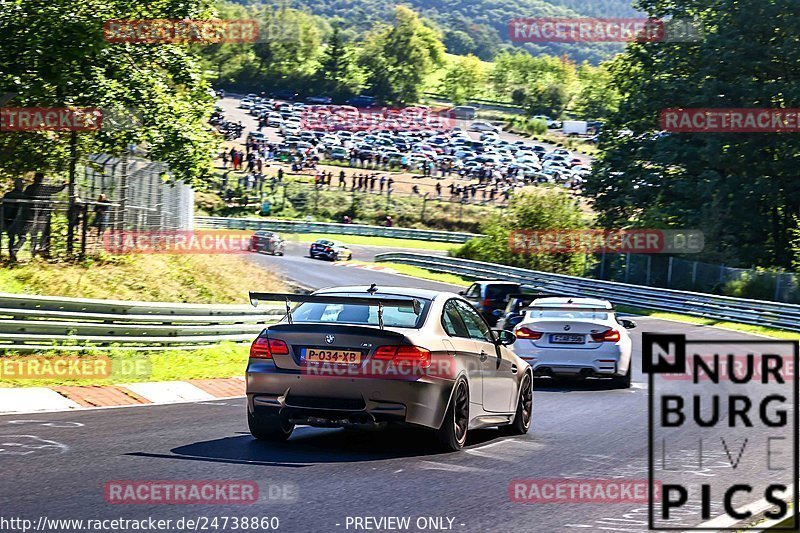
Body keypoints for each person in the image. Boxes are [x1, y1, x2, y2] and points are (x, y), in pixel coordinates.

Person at [2, 178, 25, 258]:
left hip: (7, 219)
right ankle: (14, 251)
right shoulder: (23, 196)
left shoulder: (8, 194)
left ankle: (12, 253)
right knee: (22, 237)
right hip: (18, 220)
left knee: (12, 238)